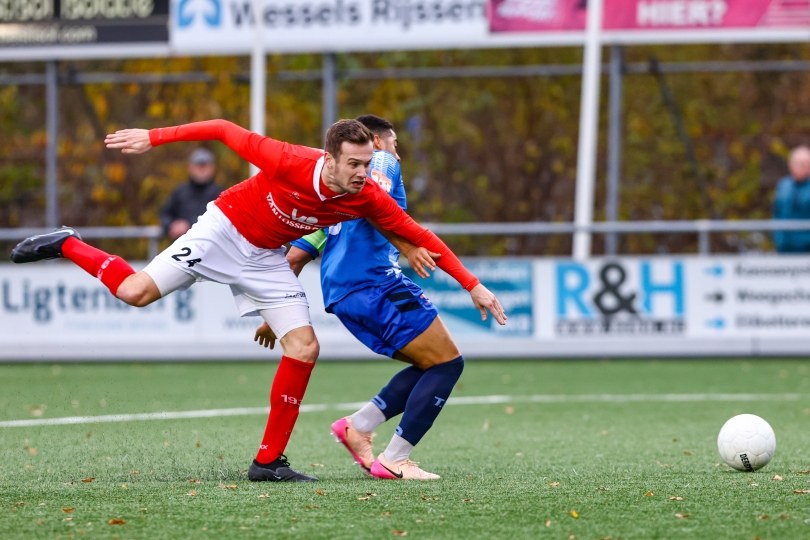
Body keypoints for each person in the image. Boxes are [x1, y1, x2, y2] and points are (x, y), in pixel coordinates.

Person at [9, 118, 507, 483]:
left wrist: (472, 284)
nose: (362, 174)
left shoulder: (365, 196)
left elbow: (420, 235)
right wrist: (152, 138)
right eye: (353, 164)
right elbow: (224, 129)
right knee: (134, 292)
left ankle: (268, 462)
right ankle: (67, 242)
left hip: (265, 259)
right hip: (221, 231)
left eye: (366, 164)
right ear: (329, 158)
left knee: (305, 347)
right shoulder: (289, 159)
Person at [254, 114, 466, 480]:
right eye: (395, 145)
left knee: (431, 363)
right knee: (448, 363)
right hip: (376, 285)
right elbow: (377, 203)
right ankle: (395, 458)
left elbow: (296, 255)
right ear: (378, 143)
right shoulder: (379, 163)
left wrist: (275, 314)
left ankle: (359, 427)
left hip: (342, 295)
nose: (396, 155)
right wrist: (408, 245)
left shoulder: (336, 198)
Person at [160, 147, 223, 240]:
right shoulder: (180, 191)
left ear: (212, 168)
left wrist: (188, 225)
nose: (201, 170)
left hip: (210, 247)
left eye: (205, 166)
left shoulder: (220, 194)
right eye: (198, 166)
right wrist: (171, 225)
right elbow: (165, 214)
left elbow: (220, 222)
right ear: (190, 168)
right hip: (182, 248)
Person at [773, 145, 810, 253]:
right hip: (785, 246)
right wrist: (778, 238)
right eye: (798, 163)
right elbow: (777, 212)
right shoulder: (784, 185)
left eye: (805, 163)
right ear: (790, 164)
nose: (801, 166)